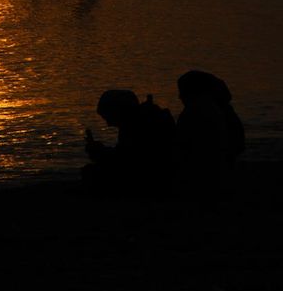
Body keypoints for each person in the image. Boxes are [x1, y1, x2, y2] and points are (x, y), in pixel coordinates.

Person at [83, 89, 176, 197]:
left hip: (152, 181)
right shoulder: (144, 119)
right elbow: (125, 154)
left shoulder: (137, 127)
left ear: (119, 111)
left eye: (108, 117)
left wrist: (99, 153)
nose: (108, 123)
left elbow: (128, 162)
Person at [175, 70, 245, 198]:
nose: (179, 97)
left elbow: (183, 147)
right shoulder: (223, 110)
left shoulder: (196, 111)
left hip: (206, 180)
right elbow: (239, 145)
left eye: (182, 92)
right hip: (221, 175)